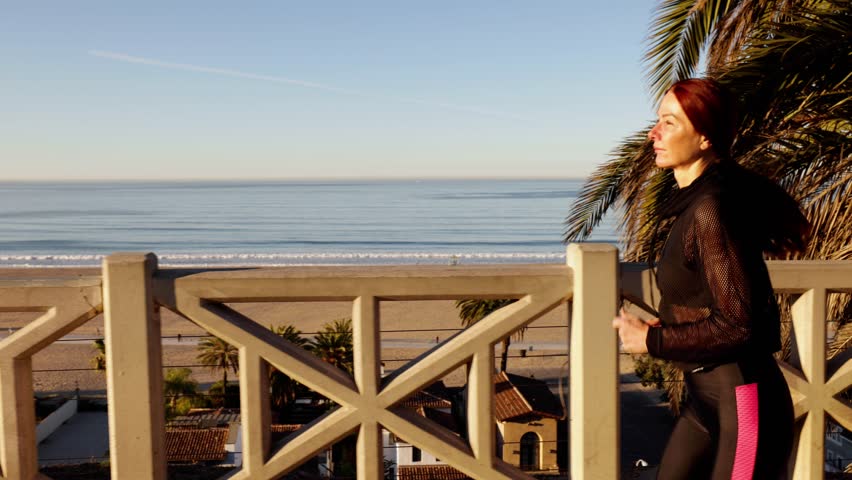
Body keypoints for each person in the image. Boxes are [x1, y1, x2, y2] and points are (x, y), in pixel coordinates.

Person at [612, 78, 809, 479]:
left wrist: (652, 340)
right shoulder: (701, 201)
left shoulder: (711, 209)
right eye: (658, 121)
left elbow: (739, 324)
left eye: (669, 123)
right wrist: (671, 325)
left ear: (704, 137)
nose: (654, 133)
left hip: (744, 401)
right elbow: (710, 297)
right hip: (706, 397)